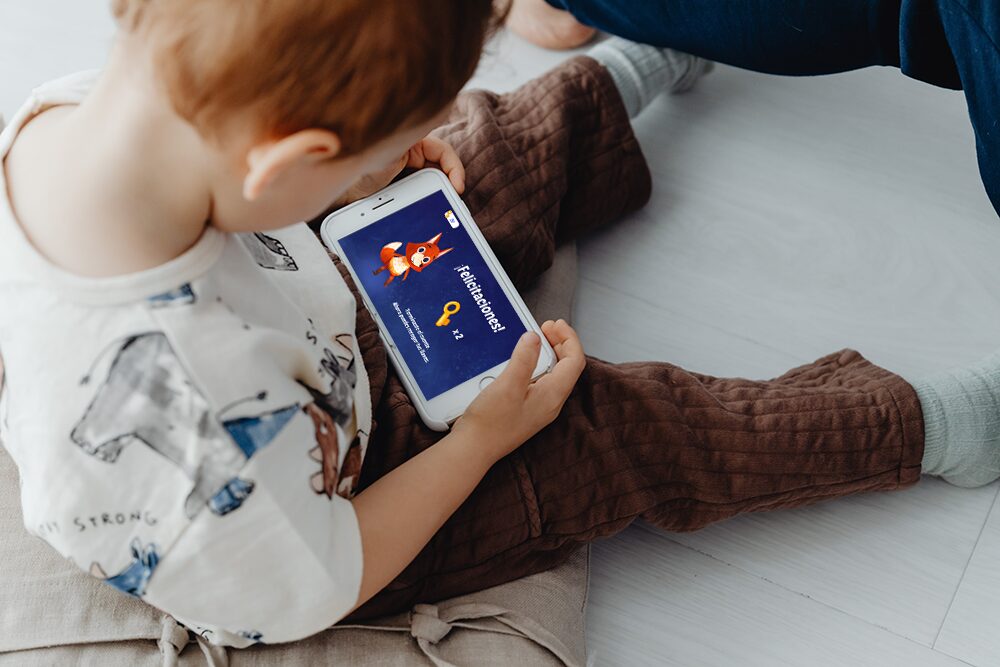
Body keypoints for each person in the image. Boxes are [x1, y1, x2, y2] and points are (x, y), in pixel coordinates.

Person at [0, 0, 993, 650]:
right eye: (356, 156)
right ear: (287, 157)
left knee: (484, 151)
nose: (382, 162)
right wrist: (481, 440)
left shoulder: (103, 114)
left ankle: (629, 76)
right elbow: (332, 572)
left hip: (300, 329)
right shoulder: (198, 447)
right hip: (340, 512)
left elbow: (266, 202)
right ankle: (936, 426)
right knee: (614, 431)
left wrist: (367, 176)